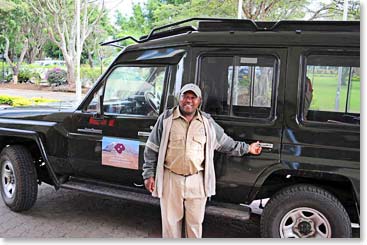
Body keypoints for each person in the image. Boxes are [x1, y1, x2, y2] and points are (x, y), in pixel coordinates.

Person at [142, 83, 262, 238]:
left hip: (197, 181)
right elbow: (152, 148)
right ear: (180, 98)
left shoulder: (207, 122)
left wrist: (248, 148)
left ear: (199, 101)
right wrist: (148, 174)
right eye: (186, 96)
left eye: (193, 98)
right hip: (171, 179)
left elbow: (226, 144)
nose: (189, 101)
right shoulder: (166, 119)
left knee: (195, 225)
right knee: (170, 226)